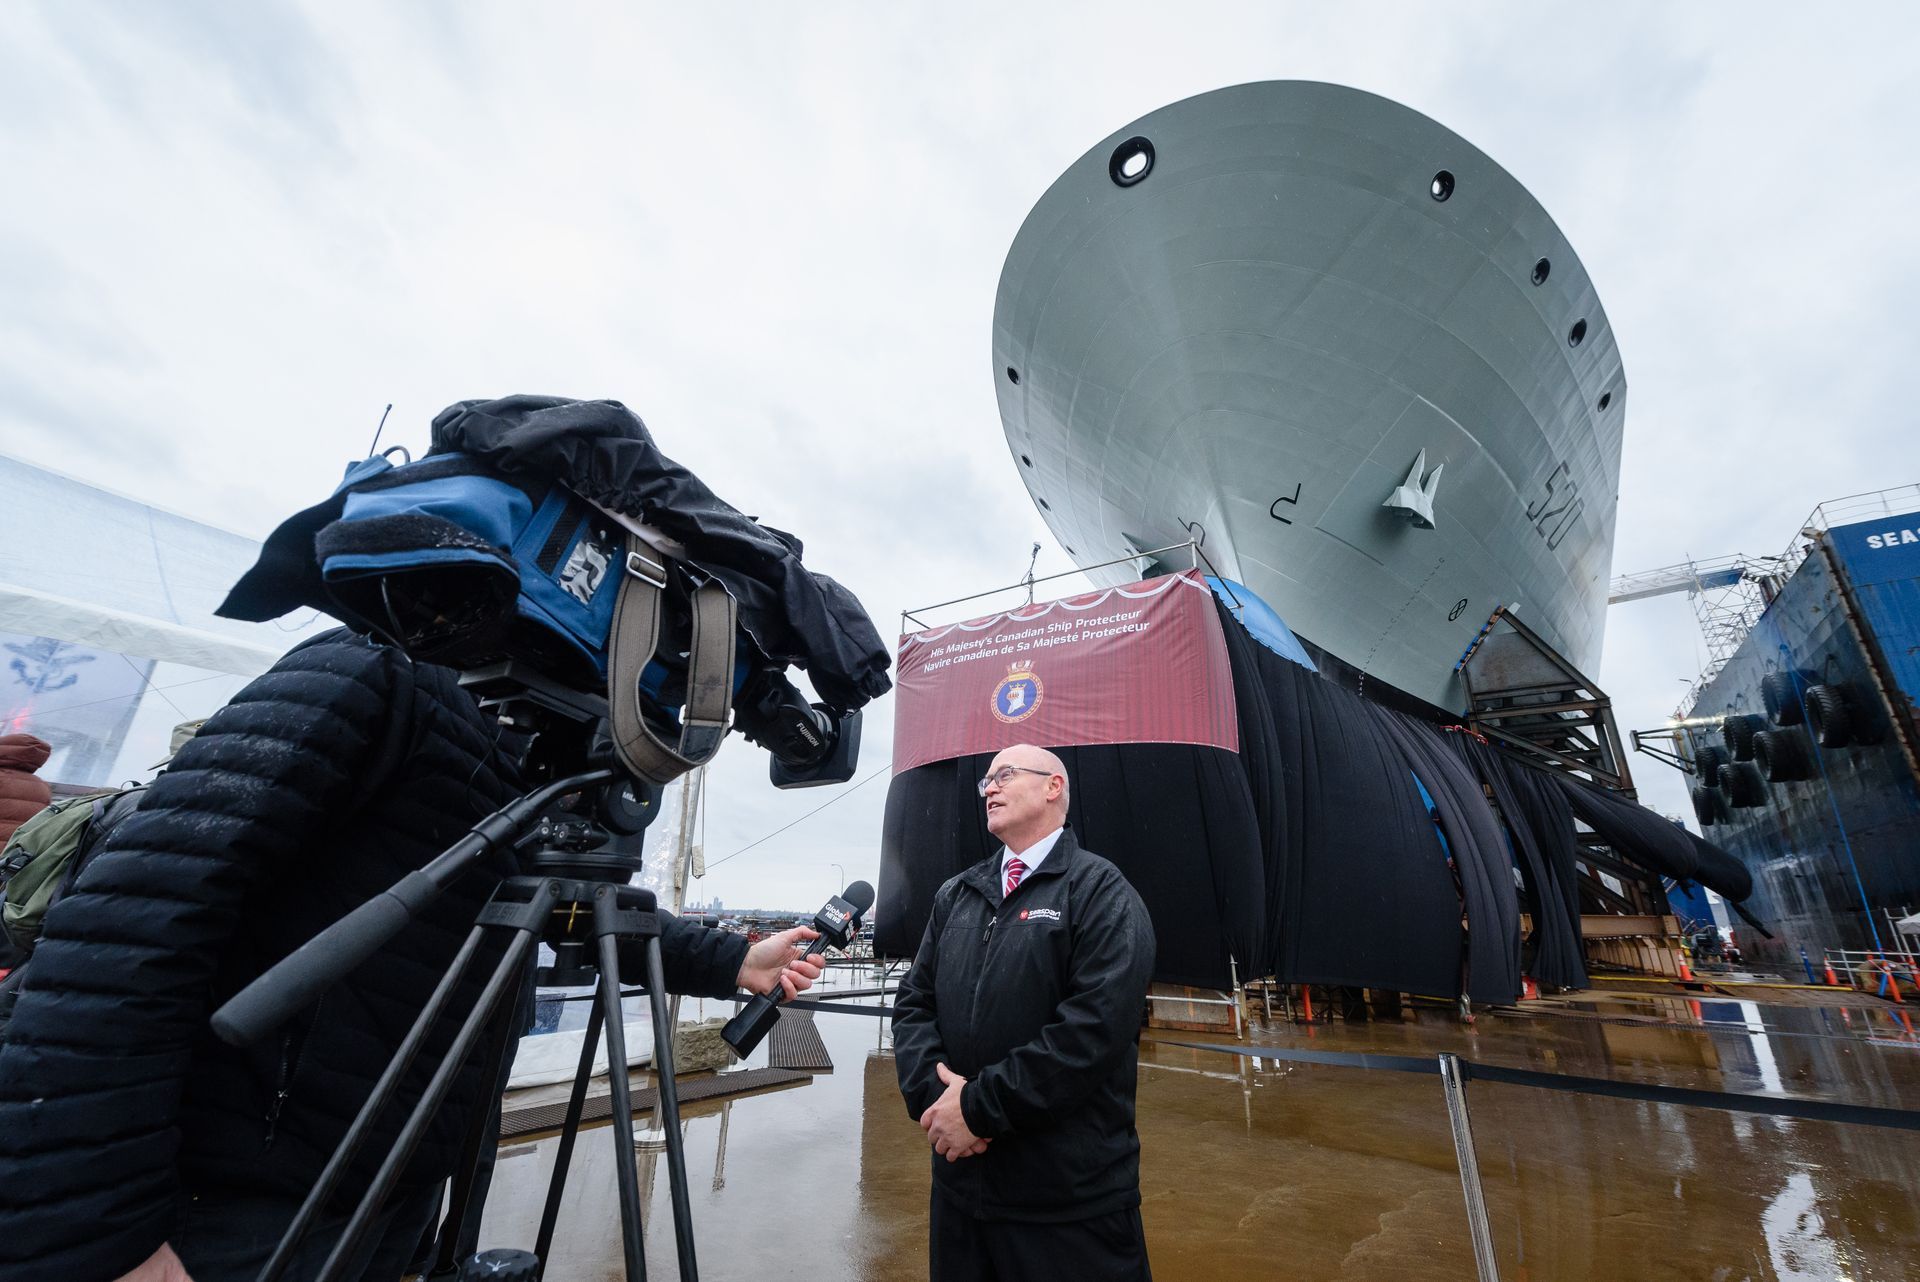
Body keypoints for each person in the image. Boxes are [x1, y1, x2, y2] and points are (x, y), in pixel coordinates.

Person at [0, 630, 822, 1282]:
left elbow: (544, 908)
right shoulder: (378, 669)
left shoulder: (528, 754)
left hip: (397, 1178)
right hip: (239, 1199)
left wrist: (731, 963)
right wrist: (96, 1234)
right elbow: (124, 932)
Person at [893, 744, 1157, 1282]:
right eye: (985, 780)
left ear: (1053, 786)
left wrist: (979, 1111)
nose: (988, 787)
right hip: (961, 1191)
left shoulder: (1101, 892)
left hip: (1066, 1204)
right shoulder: (956, 894)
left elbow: (1091, 1033)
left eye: (1004, 775)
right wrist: (938, 1105)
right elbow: (914, 1004)